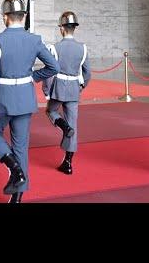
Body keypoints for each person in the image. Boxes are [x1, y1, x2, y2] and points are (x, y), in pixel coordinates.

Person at [0, 0, 60, 203]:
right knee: (21, 147)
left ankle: (13, 168)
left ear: (4, 17)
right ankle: (17, 198)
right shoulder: (35, 40)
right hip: (26, 98)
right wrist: (32, 77)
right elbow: (55, 67)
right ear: (24, 16)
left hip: (2, 100)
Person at [42, 11, 91, 175]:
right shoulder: (82, 48)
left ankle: (62, 126)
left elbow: (49, 72)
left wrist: (46, 91)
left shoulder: (55, 48)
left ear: (62, 28)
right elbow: (87, 73)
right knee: (73, 125)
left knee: (51, 111)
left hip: (58, 87)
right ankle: (68, 163)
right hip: (74, 89)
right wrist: (81, 85)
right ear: (74, 28)